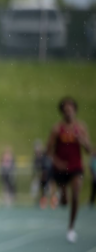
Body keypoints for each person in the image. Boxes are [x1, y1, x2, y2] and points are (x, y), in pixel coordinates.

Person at [46, 96, 92, 242]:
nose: (69, 113)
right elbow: (48, 151)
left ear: (75, 111)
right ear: (62, 112)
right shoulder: (56, 129)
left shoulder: (81, 128)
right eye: (66, 110)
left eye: (71, 110)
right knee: (65, 201)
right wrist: (57, 162)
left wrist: (82, 141)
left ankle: (71, 227)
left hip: (76, 167)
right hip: (61, 168)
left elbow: (90, 150)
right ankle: (62, 194)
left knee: (76, 193)